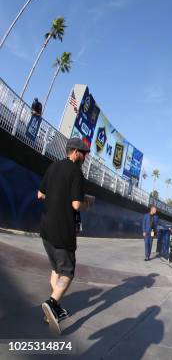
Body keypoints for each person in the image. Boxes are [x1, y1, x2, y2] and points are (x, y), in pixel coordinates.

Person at [37, 137, 94, 334]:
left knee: (56, 268)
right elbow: (76, 204)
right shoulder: (76, 172)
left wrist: (59, 197)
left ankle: (55, 308)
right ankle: (52, 303)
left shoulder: (53, 166)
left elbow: (40, 194)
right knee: (67, 272)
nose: (85, 157)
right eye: (84, 153)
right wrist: (88, 203)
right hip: (63, 231)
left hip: (46, 229)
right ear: (76, 152)